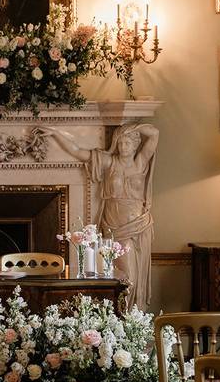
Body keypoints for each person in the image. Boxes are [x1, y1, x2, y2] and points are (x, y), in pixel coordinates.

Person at [38, 123, 159, 309]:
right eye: (120, 143)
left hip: (139, 225)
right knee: (125, 276)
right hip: (115, 226)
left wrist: (130, 128)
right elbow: (78, 151)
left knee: (136, 278)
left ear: (135, 145)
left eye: (127, 143)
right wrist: (55, 133)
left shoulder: (140, 162)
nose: (123, 147)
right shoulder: (109, 162)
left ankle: (132, 321)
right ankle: (123, 319)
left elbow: (154, 134)